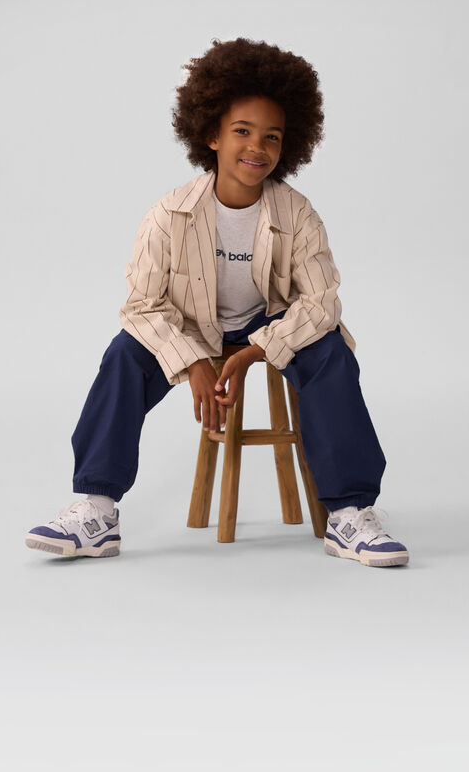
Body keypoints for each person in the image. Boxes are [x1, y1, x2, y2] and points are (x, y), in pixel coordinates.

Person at [26, 37, 409, 568]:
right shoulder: (169, 214)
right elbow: (142, 307)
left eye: (272, 137)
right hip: (191, 330)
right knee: (123, 355)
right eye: (242, 132)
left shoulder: (297, 214)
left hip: (266, 325)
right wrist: (192, 364)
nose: (258, 147)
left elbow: (321, 303)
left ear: (288, 145)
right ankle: (96, 508)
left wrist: (256, 350)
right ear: (210, 135)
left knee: (331, 353)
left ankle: (349, 514)